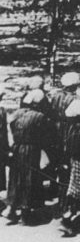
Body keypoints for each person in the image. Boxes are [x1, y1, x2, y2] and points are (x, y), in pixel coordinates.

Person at [3, 90, 55, 224]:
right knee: (30, 179)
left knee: (15, 177)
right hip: (31, 150)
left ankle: (11, 207)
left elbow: (12, 128)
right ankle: (26, 213)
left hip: (17, 148)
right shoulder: (40, 117)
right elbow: (46, 137)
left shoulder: (17, 113)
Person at [59, 99, 80, 236]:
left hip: (67, 161)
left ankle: (69, 216)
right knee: (75, 192)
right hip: (78, 162)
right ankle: (67, 219)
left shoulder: (66, 127)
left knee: (69, 189)